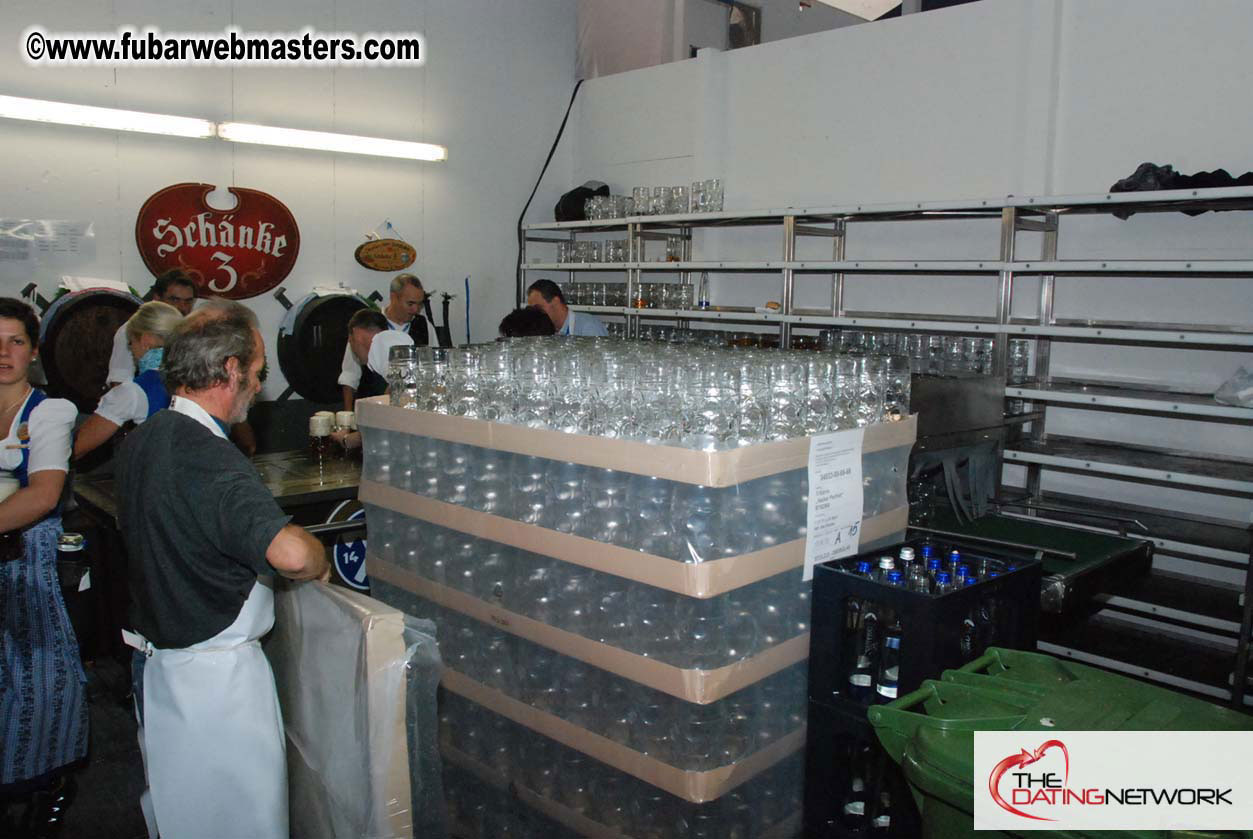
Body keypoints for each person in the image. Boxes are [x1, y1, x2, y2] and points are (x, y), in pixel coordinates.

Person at [115, 301, 328, 839]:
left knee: (183, 816)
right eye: (258, 371)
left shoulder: (146, 437)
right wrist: (319, 559)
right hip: (218, 688)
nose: (259, 384)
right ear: (231, 369)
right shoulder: (207, 454)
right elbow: (292, 554)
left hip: (163, 670)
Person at [0, 297, 87, 835]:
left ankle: (46, 781)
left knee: (35, 673)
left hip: (25, 558)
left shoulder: (50, 411)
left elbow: (43, 495)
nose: (3, 353)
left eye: (14, 341)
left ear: (33, 352)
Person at [73, 301, 182, 460]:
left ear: (145, 341)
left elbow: (76, 448)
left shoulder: (135, 392)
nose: (131, 350)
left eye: (131, 343)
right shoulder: (198, 378)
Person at [339, 273, 429, 410]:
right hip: (369, 408)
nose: (415, 310)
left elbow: (432, 369)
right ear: (394, 297)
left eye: (419, 304)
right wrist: (348, 417)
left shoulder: (425, 326)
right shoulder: (367, 325)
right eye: (410, 303)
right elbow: (350, 375)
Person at [329, 309, 413, 453]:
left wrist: (345, 440)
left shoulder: (400, 381)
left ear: (356, 335)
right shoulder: (397, 378)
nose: (353, 350)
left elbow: (383, 427)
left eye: (350, 342)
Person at [106, 269, 196, 387]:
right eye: (175, 299)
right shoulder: (134, 330)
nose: (182, 307)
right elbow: (119, 380)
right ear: (157, 298)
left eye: (188, 301)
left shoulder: (194, 331)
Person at [526, 278, 608, 337]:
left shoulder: (588, 327)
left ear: (556, 302)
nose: (535, 314)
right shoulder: (541, 330)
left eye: (538, 308)